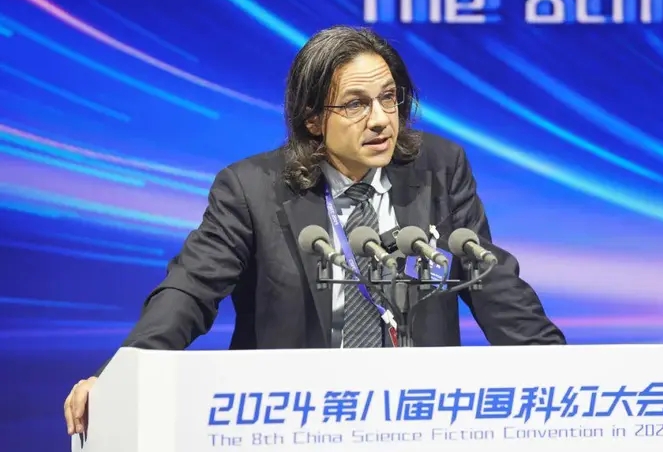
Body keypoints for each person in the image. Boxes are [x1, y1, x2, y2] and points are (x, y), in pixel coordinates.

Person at [63, 25, 565, 435]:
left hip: (418, 420)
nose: (380, 120)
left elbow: (491, 281)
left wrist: (563, 374)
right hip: (297, 425)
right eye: (356, 104)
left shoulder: (440, 166)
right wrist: (120, 378)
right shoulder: (250, 188)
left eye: (389, 99)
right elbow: (190, 290)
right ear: (311, 119)